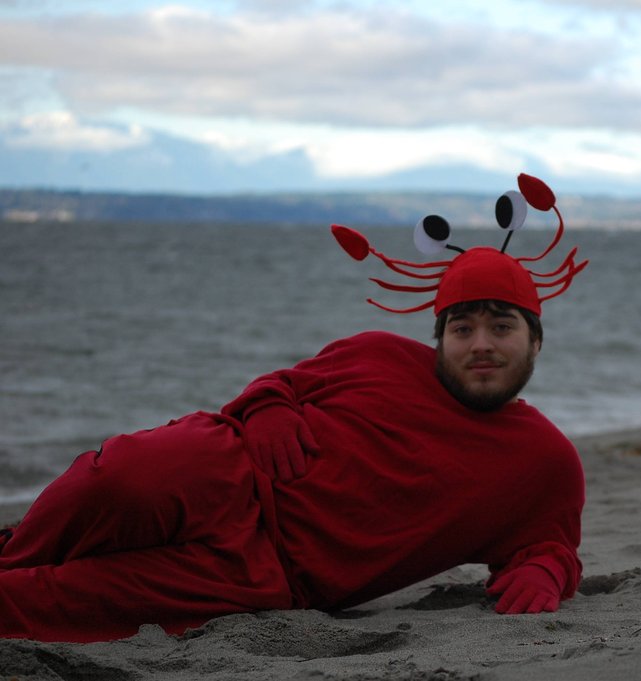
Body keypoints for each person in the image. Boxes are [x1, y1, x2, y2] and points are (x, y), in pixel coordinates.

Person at [0, 174, 589, 643]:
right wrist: (267, 409)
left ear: (536, 341)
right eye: (462, 328)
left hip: (267, 572)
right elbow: (278, 384)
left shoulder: (546, 460)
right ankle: (13, 549)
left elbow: (551, 544)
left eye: (501, 327)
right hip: (224, 469)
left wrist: (545, 570)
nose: (481, 344)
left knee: (57, 603)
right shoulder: (376, 351)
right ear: (440, 338)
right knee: (118, 480)